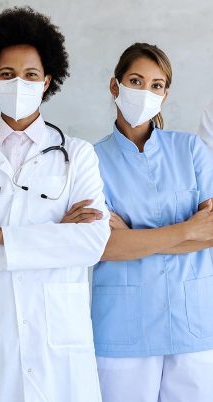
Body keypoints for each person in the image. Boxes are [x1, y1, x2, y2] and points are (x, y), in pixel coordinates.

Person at [0, 7, 110, 402]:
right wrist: (55, 239)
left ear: (47, 81)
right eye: (7, 74)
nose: (20, 84)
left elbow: (91, 243)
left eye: (31, 75)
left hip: (58, 340)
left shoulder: (78, 154)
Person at [73, 42, 213, 402]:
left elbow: (211, 231)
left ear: (165, 95)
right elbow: (103, 245)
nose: (145, 92)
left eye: (156, 85)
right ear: (114, 86)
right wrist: (188, 229)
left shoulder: (191, 150)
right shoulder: (89, 159)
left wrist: (132, 239)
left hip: (194, 322)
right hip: (123, 325)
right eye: (136, 81)